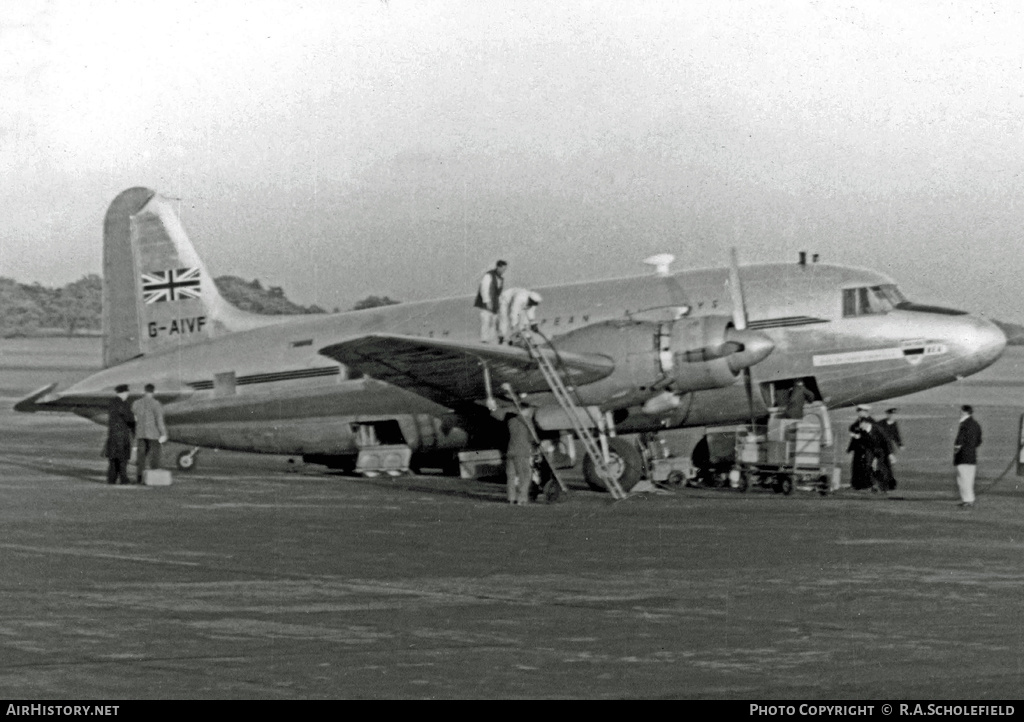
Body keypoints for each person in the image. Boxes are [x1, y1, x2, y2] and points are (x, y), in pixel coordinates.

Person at [132, 383, 168, 484]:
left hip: (141, 433)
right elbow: (159, 421)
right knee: (154, 457)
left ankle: (140, 479)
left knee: (141, 458)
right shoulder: (156, 404)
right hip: (153, 434)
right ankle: (153, 479)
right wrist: (164, 433)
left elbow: (134, 417)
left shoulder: (136, 403)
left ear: (144, 391)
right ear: (153, 392)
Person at [847, 413, 888, 491]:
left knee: (875, 469)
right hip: (869, 453)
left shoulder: (873, 431)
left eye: (861, 424)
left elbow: (881, 443)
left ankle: (880, 486)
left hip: (875, 453)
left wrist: (879, 456)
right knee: (867, 468)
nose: (860, 426)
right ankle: (870, 486)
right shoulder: (863, 432)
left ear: (865, 423)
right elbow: (856, 440)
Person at [104, 384, 135, 485]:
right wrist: (135, 420)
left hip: (112, 434)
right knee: (123, 459)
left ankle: (111, 479)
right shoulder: (123, 404)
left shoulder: (112, 403)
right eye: (127, 393)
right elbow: (129, 417)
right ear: (124, 393)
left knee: (113, 459)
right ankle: (123, 479)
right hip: (121, 435)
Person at [953, 404, 983, 508]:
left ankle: (966, 500)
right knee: (969, 480)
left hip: (963, 456)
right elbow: (979, 441)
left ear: (964, 412)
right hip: (972, 456)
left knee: (963, 479)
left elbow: (959, 440)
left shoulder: (964, 424)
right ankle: (970, 499)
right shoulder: (976, 424)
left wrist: (957, 448)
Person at [474, 260, 507, 343]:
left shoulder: (501, 279)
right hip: (487, 304)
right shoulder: (488, 275)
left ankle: (491, 340)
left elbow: (498, 293)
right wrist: (487, 301)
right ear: (498, 267)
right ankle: (484, 340)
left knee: (493, 322)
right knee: (486, 321)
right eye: (503, 269)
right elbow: (484, 288)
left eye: (505, 269)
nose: (504, 271)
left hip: (495, 305)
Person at [877, 407, 903, 490]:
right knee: (881, 466)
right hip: (881, 448)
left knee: (889, 466)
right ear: (888, 414)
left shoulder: (894, 424)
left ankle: (889, 485)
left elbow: (896, 435)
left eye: (894, 415)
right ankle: (882, 485)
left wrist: (900, 444)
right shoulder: (881, 424)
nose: (893, 416)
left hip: (889, 448)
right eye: (891, 414)